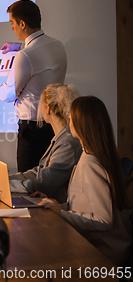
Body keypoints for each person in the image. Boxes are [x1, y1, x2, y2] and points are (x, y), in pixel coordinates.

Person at [40, 96, 131, 265]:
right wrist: (59, 207)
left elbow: (102, 220)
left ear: (81, 124)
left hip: (102, 253)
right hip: (94, 245)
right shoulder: (89, 156)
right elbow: (84, 205)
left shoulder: (91, 164)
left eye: (72, 117)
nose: (69, 121)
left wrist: (61, 213)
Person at [0, 0, 67, 173]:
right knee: (47, 179)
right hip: (54, 126)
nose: (11, 28)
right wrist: (19, 47)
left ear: (22, 24)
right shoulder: (57, 45)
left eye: (12, 23)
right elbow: (40, 60)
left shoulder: (25, 55)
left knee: (27, 182)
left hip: (31, 131)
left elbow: (8, 94)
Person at [0, 84, 82, 203]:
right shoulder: (61, 138)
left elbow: (44, 184)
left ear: (48, 108)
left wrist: (3, 185)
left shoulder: (67, 143)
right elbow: (38, 172)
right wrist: (3, 180)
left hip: (55, 211)